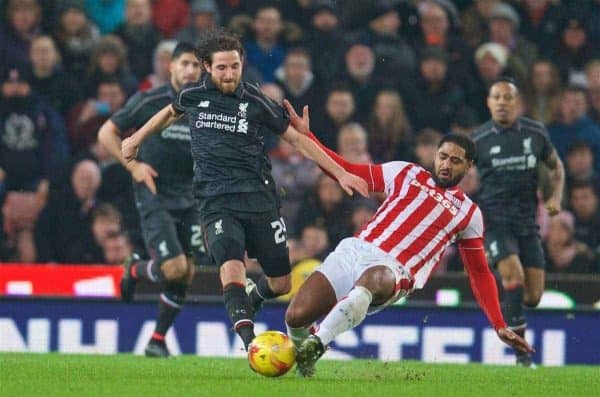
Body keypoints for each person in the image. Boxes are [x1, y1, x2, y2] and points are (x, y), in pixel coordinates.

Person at [120, 30, 368, 351]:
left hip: (260, 200)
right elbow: (170, 112)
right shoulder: (194, 95)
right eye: (222, 68)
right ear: (207, 67)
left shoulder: (256, 100)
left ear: (241, 64)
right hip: (215, 202)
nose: (229, 74)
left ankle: (256, 296)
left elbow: (297, 138)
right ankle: (251, 343)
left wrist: (339, 172)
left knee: (281, 284)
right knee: (231, 267)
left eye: (234, 67)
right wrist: (136, 139)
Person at [281, 100, 532, 378]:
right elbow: (346, 170)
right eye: (443, 157)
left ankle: (318, 343)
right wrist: (308, 137)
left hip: (395, 270)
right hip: (355, 250)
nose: (446, 165)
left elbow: (479, 273)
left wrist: (498, 323)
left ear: (469, 166)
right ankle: (306, 367)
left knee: (374, 279)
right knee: (295, 316)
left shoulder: (469, 214)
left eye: (456, 160)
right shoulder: (405, 172)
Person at [97, 42, 205, 358]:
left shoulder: (206, 107)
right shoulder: (151, 100)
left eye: (196, 66)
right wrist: (133, 165)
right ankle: (134, 269)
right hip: (155, 192)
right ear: (170, 66)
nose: (190, 70)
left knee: (187, 272)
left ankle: (157, 340)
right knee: (173, 268)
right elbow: (107, 133)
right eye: (184, 63)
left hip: (192, 196)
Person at [471, 77, 565, 367]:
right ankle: (522, 356)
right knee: (513, 275)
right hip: (495, 220)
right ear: (488, 103)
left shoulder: (535, 133)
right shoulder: (478, 140)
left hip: (527, 222)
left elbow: (556, 166)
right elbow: (458, 175)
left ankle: (508, 305)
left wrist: (555, 199)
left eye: (507, 97)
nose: (501, 102)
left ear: (518, 102)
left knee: (534, 296)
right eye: (496, 97)